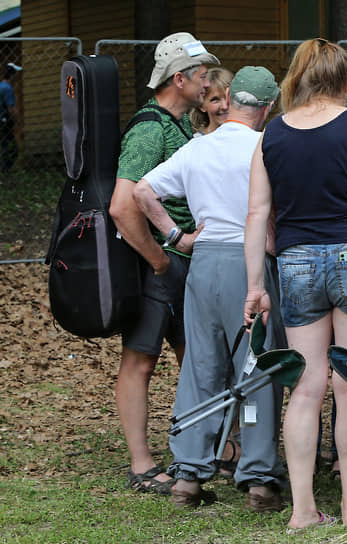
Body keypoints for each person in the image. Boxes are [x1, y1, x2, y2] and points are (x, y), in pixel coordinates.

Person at [243, 38, 347, 530]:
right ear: (346, 80)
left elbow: (255, 214)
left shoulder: (272, 134)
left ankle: (303, 509)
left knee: (305, 388)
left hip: (296, 262)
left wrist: (254, 286)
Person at [133, 66, 286, 511]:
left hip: (204, 264)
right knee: (256, 367)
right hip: (249, 260)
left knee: (201, 365)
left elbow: (144, 192)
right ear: (269, 107)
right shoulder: (265, 146)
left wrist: (176, 237)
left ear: (231, 100)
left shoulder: (198, 148)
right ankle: (258, 479)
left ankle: (188, 474)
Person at [109, 32, 219, 495]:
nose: (209, 81)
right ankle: (141, 464)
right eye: (203, 74)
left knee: (192, 358)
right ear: (180, 78)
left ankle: (202, 450)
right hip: (160, 267)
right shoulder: (150, 128)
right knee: (140, 361)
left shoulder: (177, 125)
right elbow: (121, 205)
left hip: (178, 265)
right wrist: (159, 259)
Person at [189, 67, 233, 136]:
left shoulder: (250, 137)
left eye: (229, 97)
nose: (224, 106)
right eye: (215, 100)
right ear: (202, 105)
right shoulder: (197, 142)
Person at [0, 62, 21, 173]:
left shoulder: (0, 86)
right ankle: (5, 170)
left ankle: (4, 170)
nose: (16, 76)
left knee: (4, 145)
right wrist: (17, 120)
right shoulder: (8, 88)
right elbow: (11, 108)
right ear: (12, 75)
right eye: (15, 73)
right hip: (5, 121)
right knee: (12, 148)